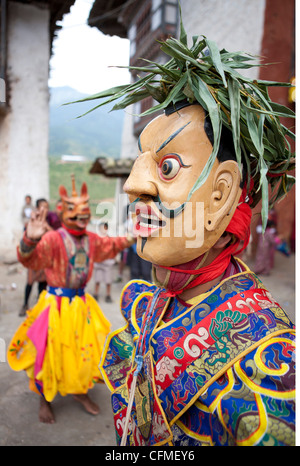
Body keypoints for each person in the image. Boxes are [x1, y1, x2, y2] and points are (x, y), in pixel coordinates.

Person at [94, 21, 295, 446]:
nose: (133, 185)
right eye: (141, 162)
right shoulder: (153, 301)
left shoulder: (274, 368)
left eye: (166, 167)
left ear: (222, 194)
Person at [7, 176, 134, 424]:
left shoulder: (90, 238)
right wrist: (29, 240)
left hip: (81, 306)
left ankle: (79, 391)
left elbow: (110, 245)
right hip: (54, 307)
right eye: (74, 213)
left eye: (84, 213)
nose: (81, 218)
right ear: (63, 211)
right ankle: (44, 399)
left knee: (84, 354)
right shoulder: (54, 239)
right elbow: (29, 260)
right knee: (49, 355)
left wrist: (135, 235)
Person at [93, 222, 115, 303]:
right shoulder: (97, 239)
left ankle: (108, 295)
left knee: (108, 280)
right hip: (99, 262)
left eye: (104, 228)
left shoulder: (110, 239)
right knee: (97, 279)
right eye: (101, 228)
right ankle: (96, 294)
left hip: (107, 262)